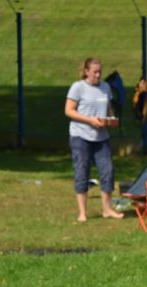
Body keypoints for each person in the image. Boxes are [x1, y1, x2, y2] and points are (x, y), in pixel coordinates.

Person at [64, 57, 124, 223]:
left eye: (100, 72)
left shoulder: (105, 87)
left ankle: (107, 209)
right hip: (80, 135)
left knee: (108, 170)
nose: (98, 75)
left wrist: (111, 119)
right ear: (86, 71)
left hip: (101, 136)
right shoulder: (78, 87)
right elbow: (68, 111)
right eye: (95, 72)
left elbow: (108, 107)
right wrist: (89, 120)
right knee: (82, 171)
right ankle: (82, 212)